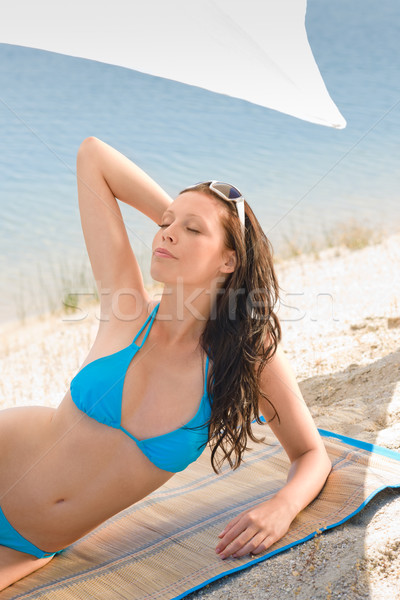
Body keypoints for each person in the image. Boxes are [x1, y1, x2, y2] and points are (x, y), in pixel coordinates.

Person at [0, 137, 331, 590]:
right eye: (165, 224)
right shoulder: (127, 307)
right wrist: (187, 217)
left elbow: (311, 454)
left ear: (230, 260)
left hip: (26, 545)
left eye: (193, 231)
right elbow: (93, 156)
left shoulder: (246, 356)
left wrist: (284, 505)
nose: (167, 233)